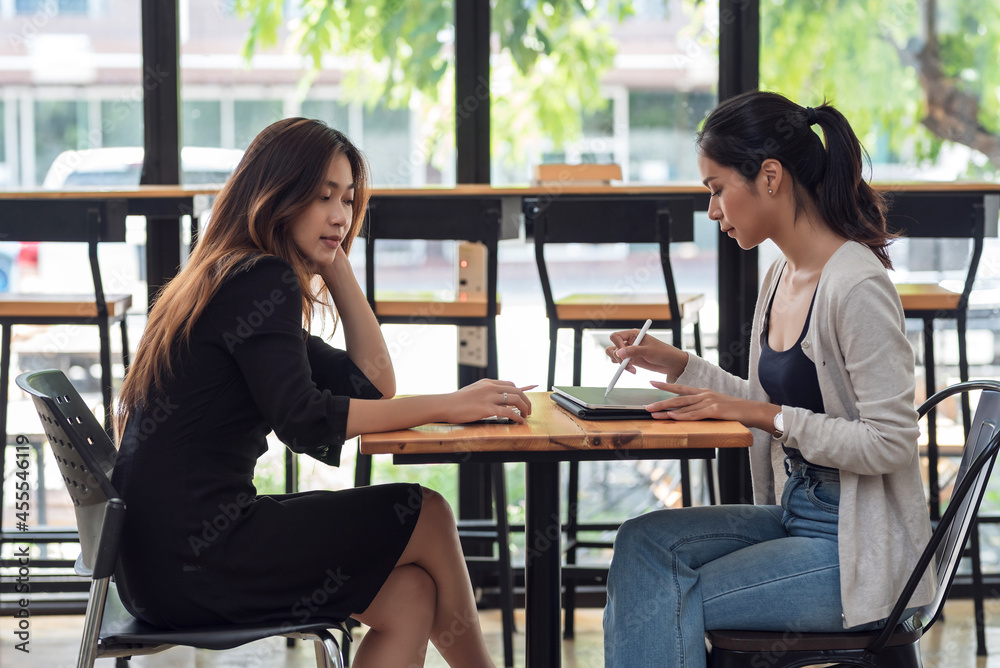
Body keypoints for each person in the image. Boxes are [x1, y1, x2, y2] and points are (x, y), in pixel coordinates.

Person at [112, 117, 532, 668]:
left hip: (156, 565)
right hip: (197, 556)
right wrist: (451, 404)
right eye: (322, 196)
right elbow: (305, 420)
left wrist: (337, 266)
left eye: (349, 200)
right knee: (426, 511)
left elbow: (374, 386)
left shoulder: (231, 275)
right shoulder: (260, 280)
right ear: (275, 196)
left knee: (410, 596)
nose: (340, 215)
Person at [602, 90, 936, 667]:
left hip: (857, 548)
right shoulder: (782, 272)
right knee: (642, 543)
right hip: (798, 511)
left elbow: (891, 442)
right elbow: (765, 402)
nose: (712, 211)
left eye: (716, 189)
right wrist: (679, 364)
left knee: (663, 595)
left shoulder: (855, 285)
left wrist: (767, 416)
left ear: (771, 177)